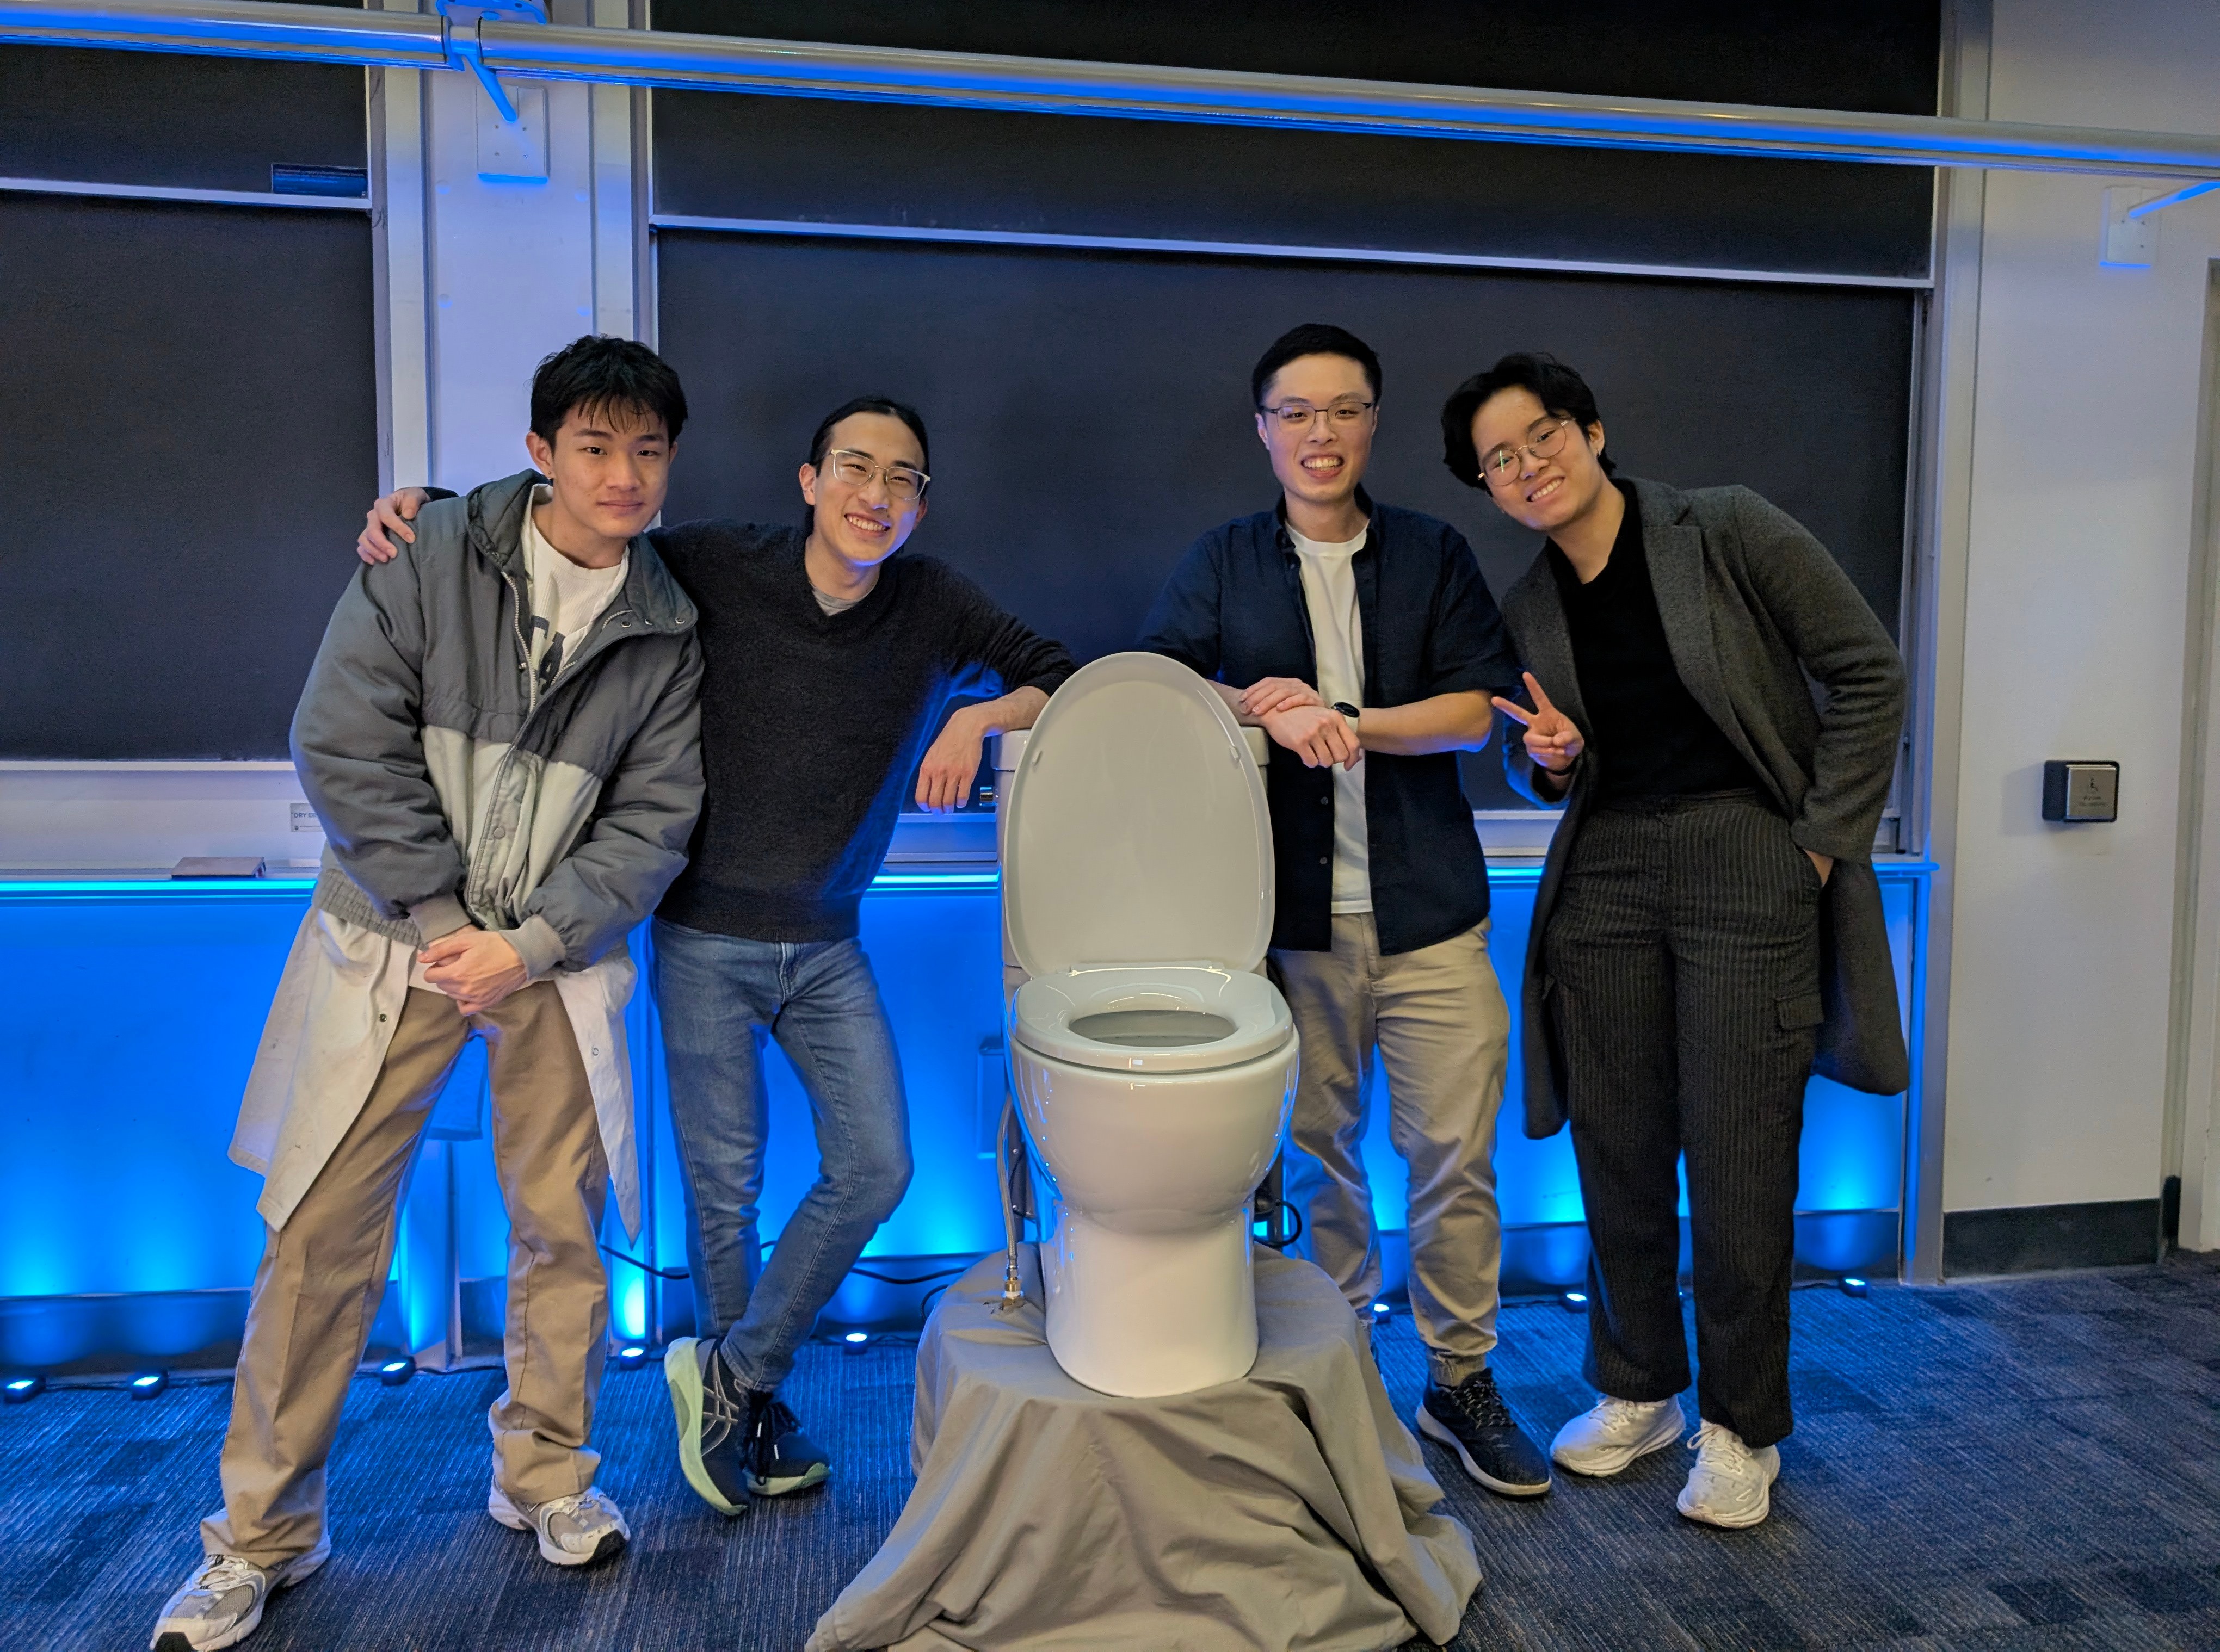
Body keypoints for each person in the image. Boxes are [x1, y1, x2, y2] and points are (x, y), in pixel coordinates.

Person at [356, 396, 1076, 1521]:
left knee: (876, 1167)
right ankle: (751, 1405)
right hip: (701, 934)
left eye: (903, 479)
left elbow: (1056, 673)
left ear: (918, 501)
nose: (875, 495)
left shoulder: (932, 602)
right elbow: (577, 544)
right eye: (854, 468)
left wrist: (978, 720)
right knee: (725, 1194)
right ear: (808, 480)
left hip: (830, 943)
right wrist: (430, 512)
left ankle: (738, 1375)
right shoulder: (717, 566)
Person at [153, 337, 705, 1651]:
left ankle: (548, 1478)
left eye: (647, 450)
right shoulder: (424, 555)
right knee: (319, 1236)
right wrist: (453, 922)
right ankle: (261, 1537)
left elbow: (658, 816)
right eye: (594, 446)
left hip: (550, 964)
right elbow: (342, 738)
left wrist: (531, 942)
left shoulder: (671, 623)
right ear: (539, 451)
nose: (622, 475)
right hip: (396, 943)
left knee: (561, 1233)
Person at [1443, 352, 1907, 1529]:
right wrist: (1544, 762)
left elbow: (1867, 672)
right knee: (1621, 1140)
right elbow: (1538, 754)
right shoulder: (1531, 604)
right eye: (1498, 460)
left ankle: (1744, 1427)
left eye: (1538, 435)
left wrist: (1813, 842)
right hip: (1605, 871)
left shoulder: (1727, 531)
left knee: (1742, 1148)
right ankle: (1638, 1386)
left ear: (1591, 430)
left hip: (1744, 854)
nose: (1525, 466)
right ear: (1490, 490)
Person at [1138, 323, 1551, 1497]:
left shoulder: (1432, 551)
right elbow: (1163, 687)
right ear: (1264, 428)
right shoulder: (1225, 559)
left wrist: (1343, 720)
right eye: (1297, 412)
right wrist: (1257, 705)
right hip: (1293, 925)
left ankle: (1461, 1378)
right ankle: (1339, 1378)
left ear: (1372, 423)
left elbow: (1477, 713)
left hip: (1433, 917)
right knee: (1317, 1163)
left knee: (1454, 1161)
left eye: (1345, 410)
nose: (1322, 434)